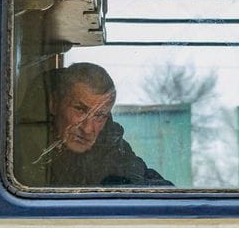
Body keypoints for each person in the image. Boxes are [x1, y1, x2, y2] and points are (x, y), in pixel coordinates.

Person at [14, 62, 172, 187]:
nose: (88, 128)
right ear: (54, 104)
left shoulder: (111, 145)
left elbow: (142, 179)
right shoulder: (12, 149)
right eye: (80, 109)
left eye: (100, 115)